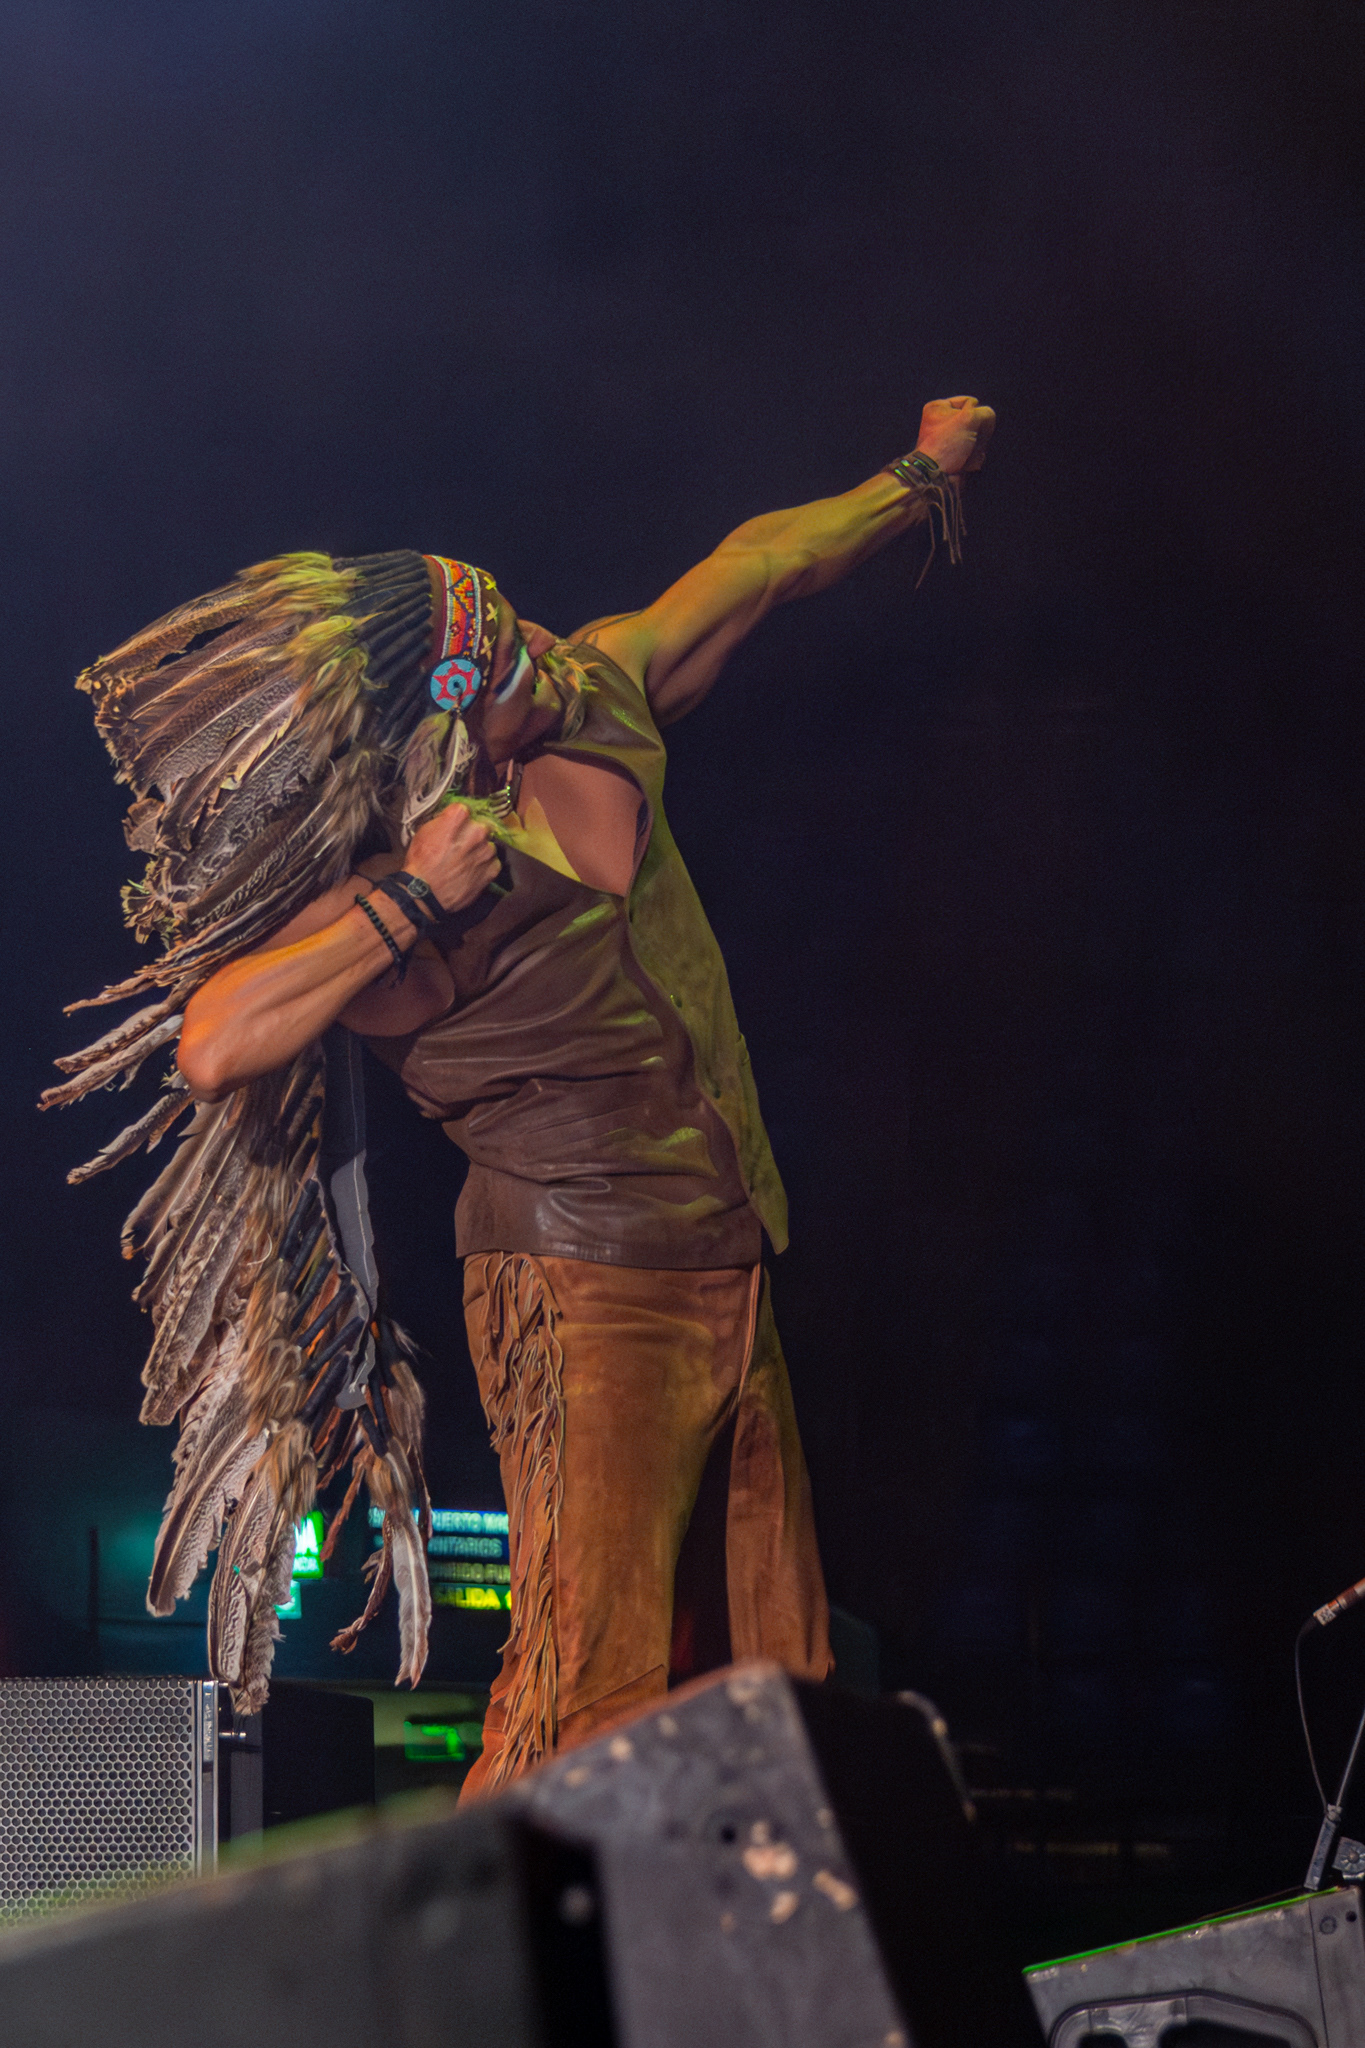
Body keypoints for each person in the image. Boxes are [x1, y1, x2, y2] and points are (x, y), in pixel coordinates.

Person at [47, 394, 994, 1791]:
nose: (529, 653)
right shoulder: (398, 894)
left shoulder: (597, 692)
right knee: (582, 1681)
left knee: (770, 1673)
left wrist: (918, 475)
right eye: (489, 658)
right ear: (428, 720)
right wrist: (418, 898)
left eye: (511, 622)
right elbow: (214, 1041)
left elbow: (757, 567)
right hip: (580, 1287)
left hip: (728, 1253)